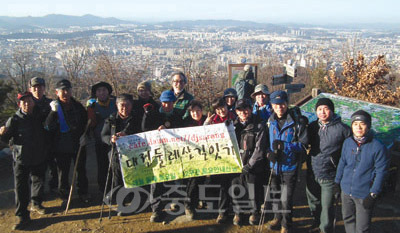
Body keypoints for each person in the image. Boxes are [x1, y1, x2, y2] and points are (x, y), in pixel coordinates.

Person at [335, 110, 390, 233]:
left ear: (368, 126)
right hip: (346, 190)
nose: (358, 127)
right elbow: (342, 162)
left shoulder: (378, 147)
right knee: (348, 219)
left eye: (362, 124)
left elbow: (381, 172)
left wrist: (373, 193)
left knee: (362, 227)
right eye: (355, 124)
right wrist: (337, 182)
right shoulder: (348, 142)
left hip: (364, 193)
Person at [0, 92, 48, 230]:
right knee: (21, 188)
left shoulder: (40, 115)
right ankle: (22, 216)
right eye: (24, 102)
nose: (27, 104)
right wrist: (2, 132)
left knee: (38, 181)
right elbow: (5, 139)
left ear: (33, 102)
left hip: (39, 155)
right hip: (21, 158)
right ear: (19, 104)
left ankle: (36, 203)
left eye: (29, 101)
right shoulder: (14, 119)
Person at [306, 98, 351, 233]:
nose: (322, 112)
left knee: (327, 206)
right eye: (319, 109)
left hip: (330, 174)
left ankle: (325, 229)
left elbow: (350, 149)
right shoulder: (313, 126)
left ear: (331, 110)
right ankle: (316, 222)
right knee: (313, 201)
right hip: (313, 171)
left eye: (326, 109)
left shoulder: (342, 129)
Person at [265, 90, 308, 233]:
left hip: (290, 166)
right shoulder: (270, 121)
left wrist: (286, 146)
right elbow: (266, 142)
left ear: (287, 104)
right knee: (276, 195)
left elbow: (303, 145)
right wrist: (268, 153)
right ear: (271, 105)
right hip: (274, 166)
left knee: (286, 199)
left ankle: (286, 225)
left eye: (282, 104)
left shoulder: (297, 122)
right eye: (276, 105)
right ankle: (277, 217)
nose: (279, 108)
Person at [44, 79, 90, 202]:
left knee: (81, 170)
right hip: (60, 146)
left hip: (78, 144)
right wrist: (53, 113)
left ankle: (83, 192)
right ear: (57, 92)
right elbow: (48, 126)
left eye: (67, 90)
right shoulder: (54, 107)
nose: (65, 93)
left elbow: (86, 123)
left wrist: (85, 136)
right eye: (62, 90)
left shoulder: (78, 106)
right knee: (62, 173)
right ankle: (64, 195)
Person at [145, 90, 184, 223]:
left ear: (174, 103)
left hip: (173, 152)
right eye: (165, 102)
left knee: (175, 178)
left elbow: (182, 131)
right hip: (157, 153)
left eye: (170, 102)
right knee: (156, 181)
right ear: (161, 102)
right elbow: (145, 130)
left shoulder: (178, 115)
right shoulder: (153, 115)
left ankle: (175, 202)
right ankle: (156, 209)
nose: (167, 105)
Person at [101, 94, 142, 215]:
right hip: (115, 155)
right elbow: (103, 135)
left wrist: (129, 136)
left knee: (135, 179)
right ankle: (122, 204)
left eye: (127, 105)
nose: (124, 108)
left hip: (134, 155)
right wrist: (111, 139)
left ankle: (136, 203)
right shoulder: (111, 119)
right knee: (118, 180)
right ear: (117, 106)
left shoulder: (137, 118)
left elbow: (144, 132)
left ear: (132, 105)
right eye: (122, 105)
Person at [230, 99, 269, 226]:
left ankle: (254, 212)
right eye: (240, 109)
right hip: (236, 164)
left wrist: (250, 165)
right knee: (236, 189)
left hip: (252, 165)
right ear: (236, 111)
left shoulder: (259, 125)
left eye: (246, 108)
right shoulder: (231, 126)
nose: (243, 112)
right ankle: (238, 213)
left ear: (251, 108)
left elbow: (260, 148)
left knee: (253, 190)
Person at [204, 97, 237, 224]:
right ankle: (222, 211)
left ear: (227, 105)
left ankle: (236, 210)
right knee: (223, 185)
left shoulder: (235, 117)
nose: (221, 110)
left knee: (234, 184)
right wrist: (207, 123)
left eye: (222, 107)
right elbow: (202, 134)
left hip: (234, 157)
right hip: (220, 158)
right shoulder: (213, 121)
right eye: (217, 109)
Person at [86, 81, 117, 195]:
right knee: (102, 165)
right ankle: (104, 189)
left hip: (115, 139)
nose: (102, 93)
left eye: (104, 90)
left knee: (115, 165)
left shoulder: (115, 103)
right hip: (100, 140)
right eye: (99, 91)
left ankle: (116, 187)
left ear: (108, 92)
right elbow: (90, 124)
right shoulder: (93, 106)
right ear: (96, 94)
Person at [29, 77, 58, 192]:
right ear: (30, 89)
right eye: (35, 87)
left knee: (53, 167)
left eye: (40, 87)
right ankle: (36, 196)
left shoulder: (50, 103)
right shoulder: (27, 103)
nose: (37, 90)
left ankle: (53, 188)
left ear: (44, 88)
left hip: (50, 140)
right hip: (34, 142)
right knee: (36, 171)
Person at [183, 100, 207, 220]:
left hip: (207, 156)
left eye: (198, 111)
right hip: (191, 157)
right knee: (193, 180)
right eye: (193, 111)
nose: (196, 113)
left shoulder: (208, 120)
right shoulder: (186, 123)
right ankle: (188, 205)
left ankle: (198, 201)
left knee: (202, 180)